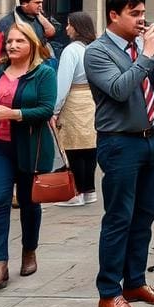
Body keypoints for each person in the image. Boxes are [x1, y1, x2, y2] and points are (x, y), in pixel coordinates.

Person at [85, 0, 154, 307]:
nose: (142, 20)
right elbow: (119, 89)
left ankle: (135, 282)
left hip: (147, 140)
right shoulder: (97, 52)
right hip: (118, 142)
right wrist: (146, 54)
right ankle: (109, 292)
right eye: (135, 14)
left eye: (143, 13)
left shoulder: (139, 49)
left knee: (144, 216)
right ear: (114, 15)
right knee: (118, 218)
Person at [0, 23, 56, 290]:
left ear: (31, 44)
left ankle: (29, 250)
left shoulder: (43, 73)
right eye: (10, 41)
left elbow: (46, 109)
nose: (13, 45)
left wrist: (14, 114)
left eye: (19, 41)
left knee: (30, 203)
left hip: (31, 147)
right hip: (0, 146)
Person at [54, 11, 98, 206]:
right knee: (89, 147)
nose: (66, 28)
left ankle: (76, 192)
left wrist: (55, 109)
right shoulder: (94, 48)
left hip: (73, 100)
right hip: (91, 99)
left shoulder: (71, 50)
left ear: (76, 27)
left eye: (69, 24)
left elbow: (63, 83)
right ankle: (89, 190)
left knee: (73, 147)